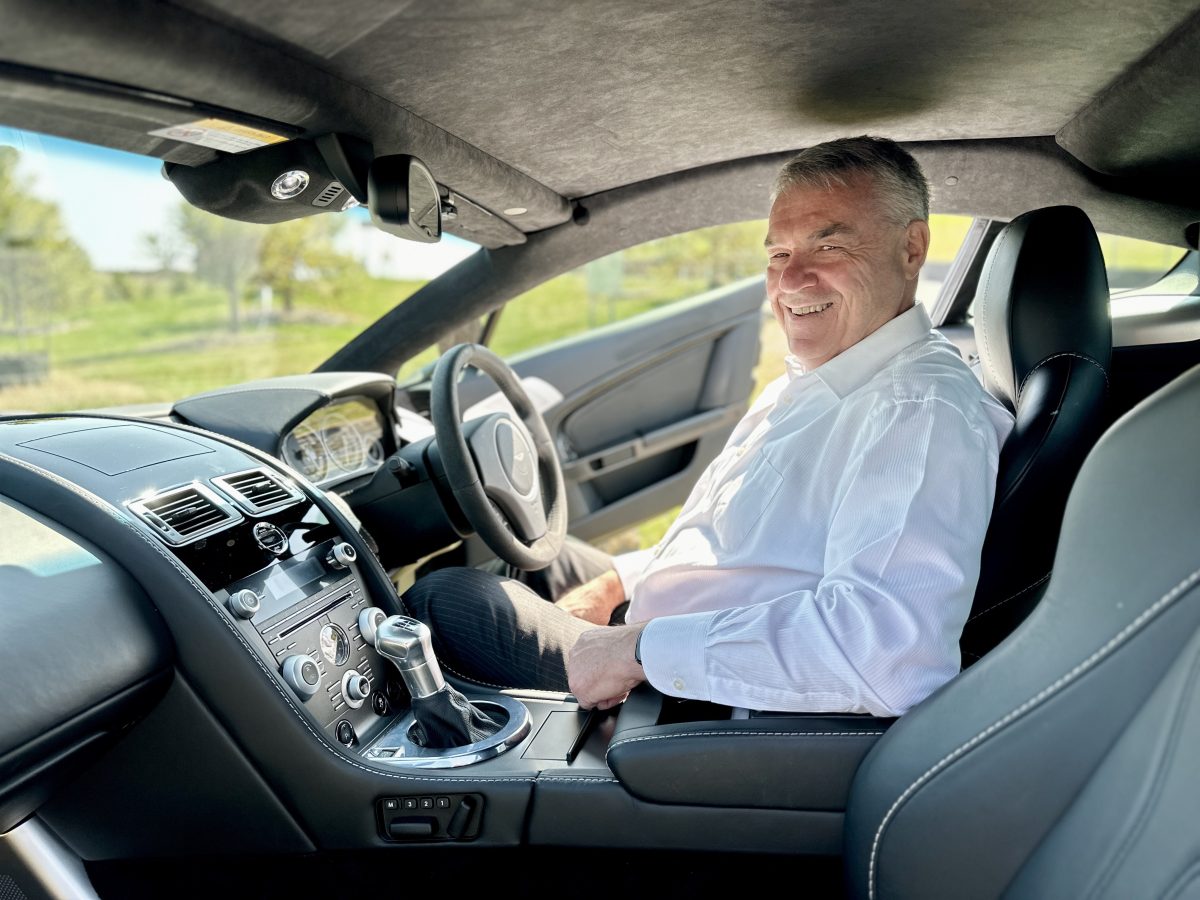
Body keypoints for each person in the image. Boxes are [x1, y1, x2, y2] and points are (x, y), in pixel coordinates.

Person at [404, 136, 1014, 717]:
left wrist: (637, 649)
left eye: (829, 247)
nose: (792, 280)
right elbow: (747, 553)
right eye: (779, 253)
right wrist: (619, 581)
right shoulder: (829, 376)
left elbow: (886, 652)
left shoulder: (916, 411)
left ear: (911, 248)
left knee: (448, 601)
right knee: (534, 550)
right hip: (670, 646)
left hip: (684, 708)